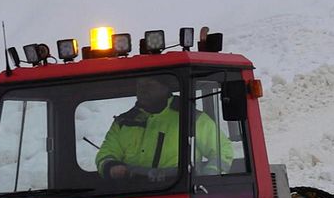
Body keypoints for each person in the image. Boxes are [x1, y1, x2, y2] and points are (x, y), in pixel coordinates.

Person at [96, 77, 233, 179]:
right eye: (140, 84)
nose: (143, 89)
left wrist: (208, 178)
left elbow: (222, 151)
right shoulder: (123, 122)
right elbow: (106, 154)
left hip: (179, 191)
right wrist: (111, 167)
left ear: (166, 87)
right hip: (131, 193)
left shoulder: (190, 117)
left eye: (149, 84)